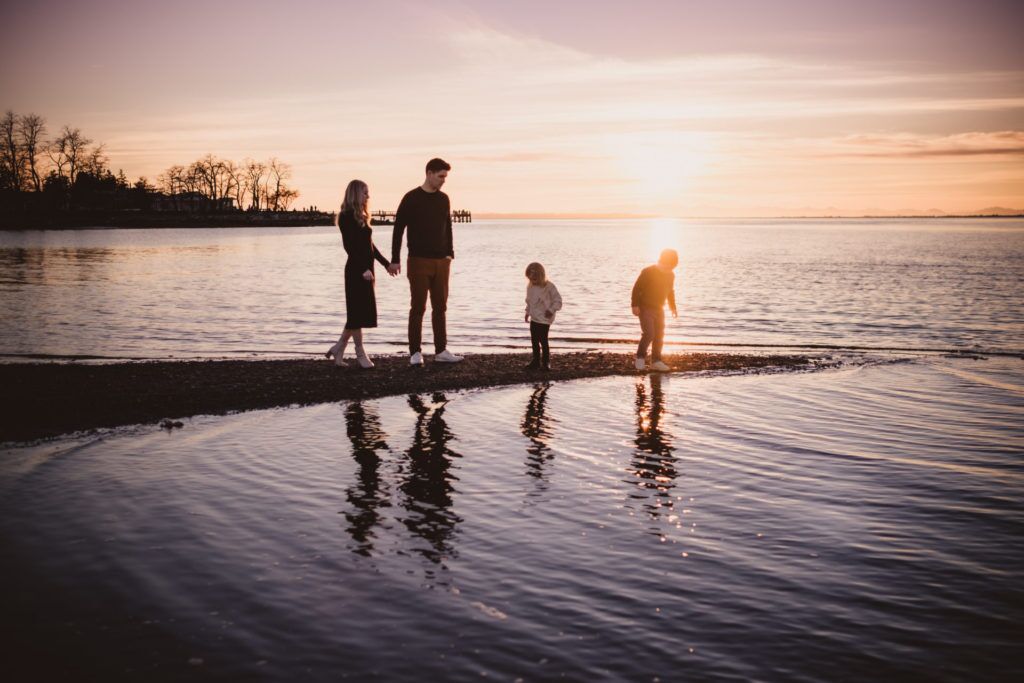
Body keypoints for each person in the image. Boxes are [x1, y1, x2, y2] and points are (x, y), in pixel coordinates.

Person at [388, 158, 462, 366]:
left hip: (442, 261)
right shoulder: (411, 198)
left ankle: (441, 351)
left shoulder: (444, 199)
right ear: (429, 173)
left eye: (445, 177)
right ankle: (415, 353)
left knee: (440, 307)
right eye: (440, 176)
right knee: (418, 307)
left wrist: (450, 254)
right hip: (418, 260)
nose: (443, 181)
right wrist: (395, 259)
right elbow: (398, 229)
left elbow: (448, 227)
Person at [326, 179, 394, 368]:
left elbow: (370, 246)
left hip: (367, 269)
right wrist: (363, 268)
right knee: (356, 314)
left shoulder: (362, 216)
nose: (368, 196)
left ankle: (338, 349)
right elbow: (350, 247)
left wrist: (386, 264)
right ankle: (360, 354)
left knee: (358, 314)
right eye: (365, 192)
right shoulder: (346, 216)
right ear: (356, 194)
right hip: (356, 270)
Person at [631, 249, 678, 372]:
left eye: (673, 266)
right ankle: (640, 359)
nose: (670, 268)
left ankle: (656, 361)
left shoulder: (671, 274)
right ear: (663, 261)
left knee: (659, 335)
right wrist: (634, 305)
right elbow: (636, 288)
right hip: (645, 308)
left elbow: (670, 291)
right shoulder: (649, 272)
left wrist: (673, 307)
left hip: (659, 308)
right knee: (649, 334)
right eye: (669, 265)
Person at [523, 262, 563, 370]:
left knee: (543, 340)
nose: (532, 281)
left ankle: (546, 362)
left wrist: (551, 310)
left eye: (534, 279)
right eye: (530, 279)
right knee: (534, 339)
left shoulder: (549, 286)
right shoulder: (530, 286)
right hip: (534, 317)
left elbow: (558, 301)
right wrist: (527, 312)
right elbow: (529, 301)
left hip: (545, 318)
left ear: (541, 275)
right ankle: (536, 361)